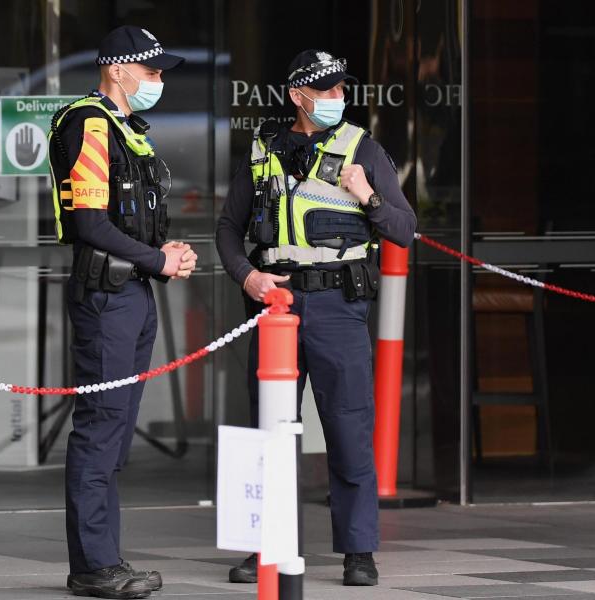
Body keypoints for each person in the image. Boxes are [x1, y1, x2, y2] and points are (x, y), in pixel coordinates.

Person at [215, 49, 417, 587]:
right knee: (269, 430)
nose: (336, 98)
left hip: (336, 307)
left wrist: (366, 193)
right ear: (297, 96)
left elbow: (403, 228)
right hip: (275, 304)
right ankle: (265, 545)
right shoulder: (263, 151)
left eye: (340, 89)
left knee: (349, 425)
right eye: (325, 90)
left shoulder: (363, 150)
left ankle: (358, 551)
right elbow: (228, 229)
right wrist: (247, 276)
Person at [48, 25, 196, 599]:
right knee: (101, 427)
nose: (158, 81)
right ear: (117, 70)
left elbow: (130, 221)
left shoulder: (128, 130)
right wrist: (158, 259)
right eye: (152, 71)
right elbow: (90, 224)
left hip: (131, 291)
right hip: (107, 296)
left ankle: (103, 555)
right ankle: (92, 565)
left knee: (115, 431)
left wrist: (166, 253)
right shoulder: (87, 122)